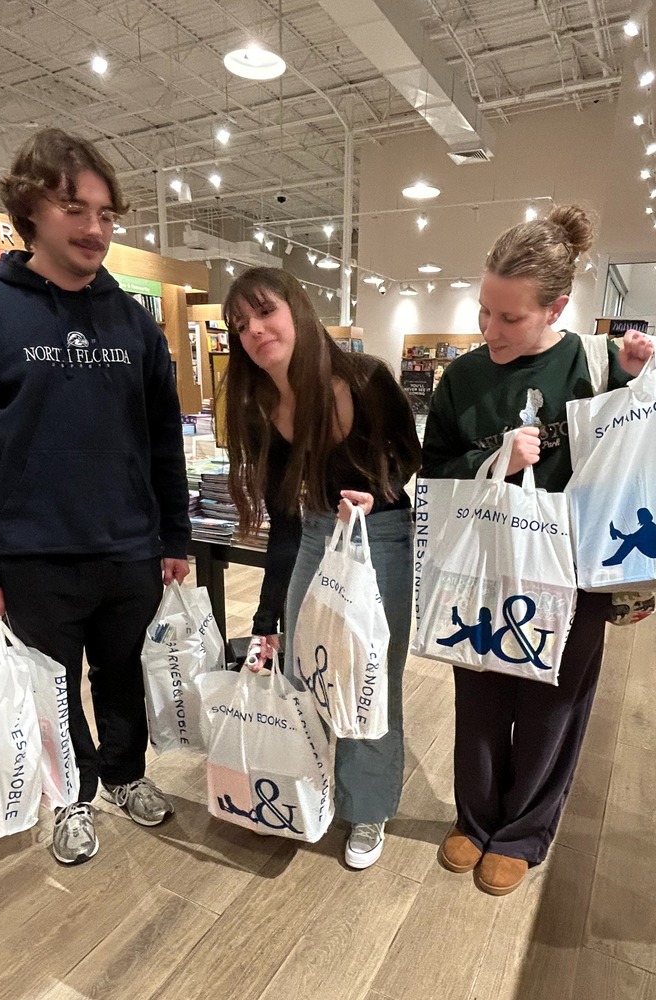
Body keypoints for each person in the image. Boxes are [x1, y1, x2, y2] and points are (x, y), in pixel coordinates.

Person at [0, 128, 191, 866]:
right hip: (30, 552)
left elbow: (162, 441)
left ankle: (127, 774)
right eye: (75, 208)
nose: (94, 228)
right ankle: (71, 799)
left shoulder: (134, 323)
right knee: (51, 689)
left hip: (129, 548)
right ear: (30, 211)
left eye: (107, 214)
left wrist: (173, 536)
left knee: (122, 679)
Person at [420, 205, 654, 896]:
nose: (489, 330)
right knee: (480, 692)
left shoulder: (594, 363)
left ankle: (523, 831)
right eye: (483, 312)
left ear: (554, 307)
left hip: (575, 566)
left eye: (509, 317)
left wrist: (638, 381)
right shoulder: (461, 377)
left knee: (551, 702)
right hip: (482, 564)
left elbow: (639, 455)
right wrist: (489, 457)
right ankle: (476, 816)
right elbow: (432, 470)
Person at [221, 267, 421, 869]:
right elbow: (285, 519)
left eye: (265, 312)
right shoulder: (259, 404)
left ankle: (367, 809)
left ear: (297, 311)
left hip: (378, 535)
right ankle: (299, 787)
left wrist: (373, 489)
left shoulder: (365, 381)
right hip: (310, 533)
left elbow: (408, 457)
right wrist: (266, 617)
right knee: (306, 668)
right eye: (240, 325)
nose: (255, 331)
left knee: (365, 674)